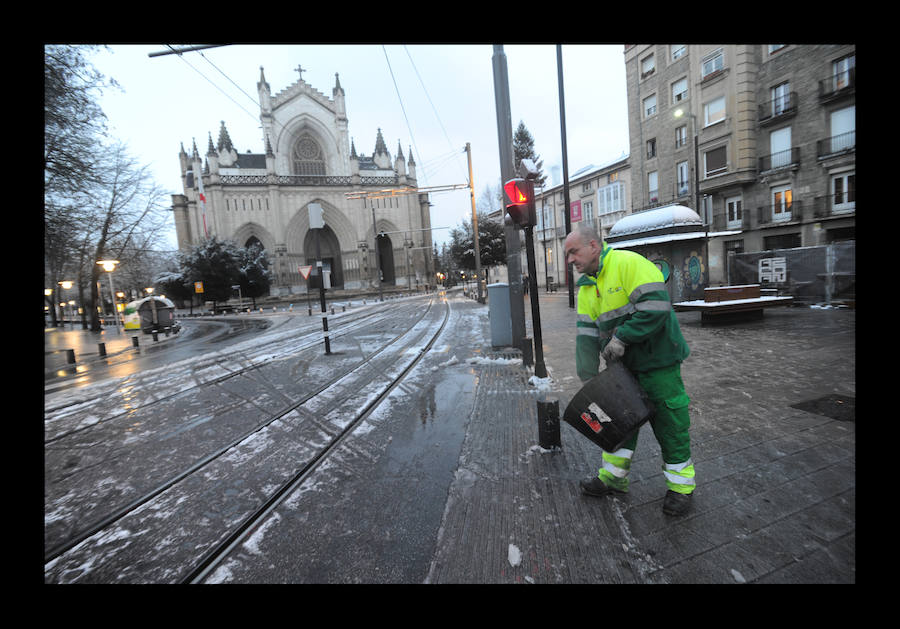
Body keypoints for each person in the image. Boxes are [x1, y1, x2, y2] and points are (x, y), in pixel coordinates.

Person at [563, 223, 695, 516]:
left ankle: (681, 488)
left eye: (574, 252)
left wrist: (623, 337)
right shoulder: (587, 288)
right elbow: (586, 336)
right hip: (623, 370)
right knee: (617, 426)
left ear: (594, 246)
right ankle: (613, 479)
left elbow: (657, 307)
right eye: (567, 255)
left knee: (670, 424)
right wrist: (588, 379)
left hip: (658, 361)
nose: (570, 259)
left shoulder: (628, 263)